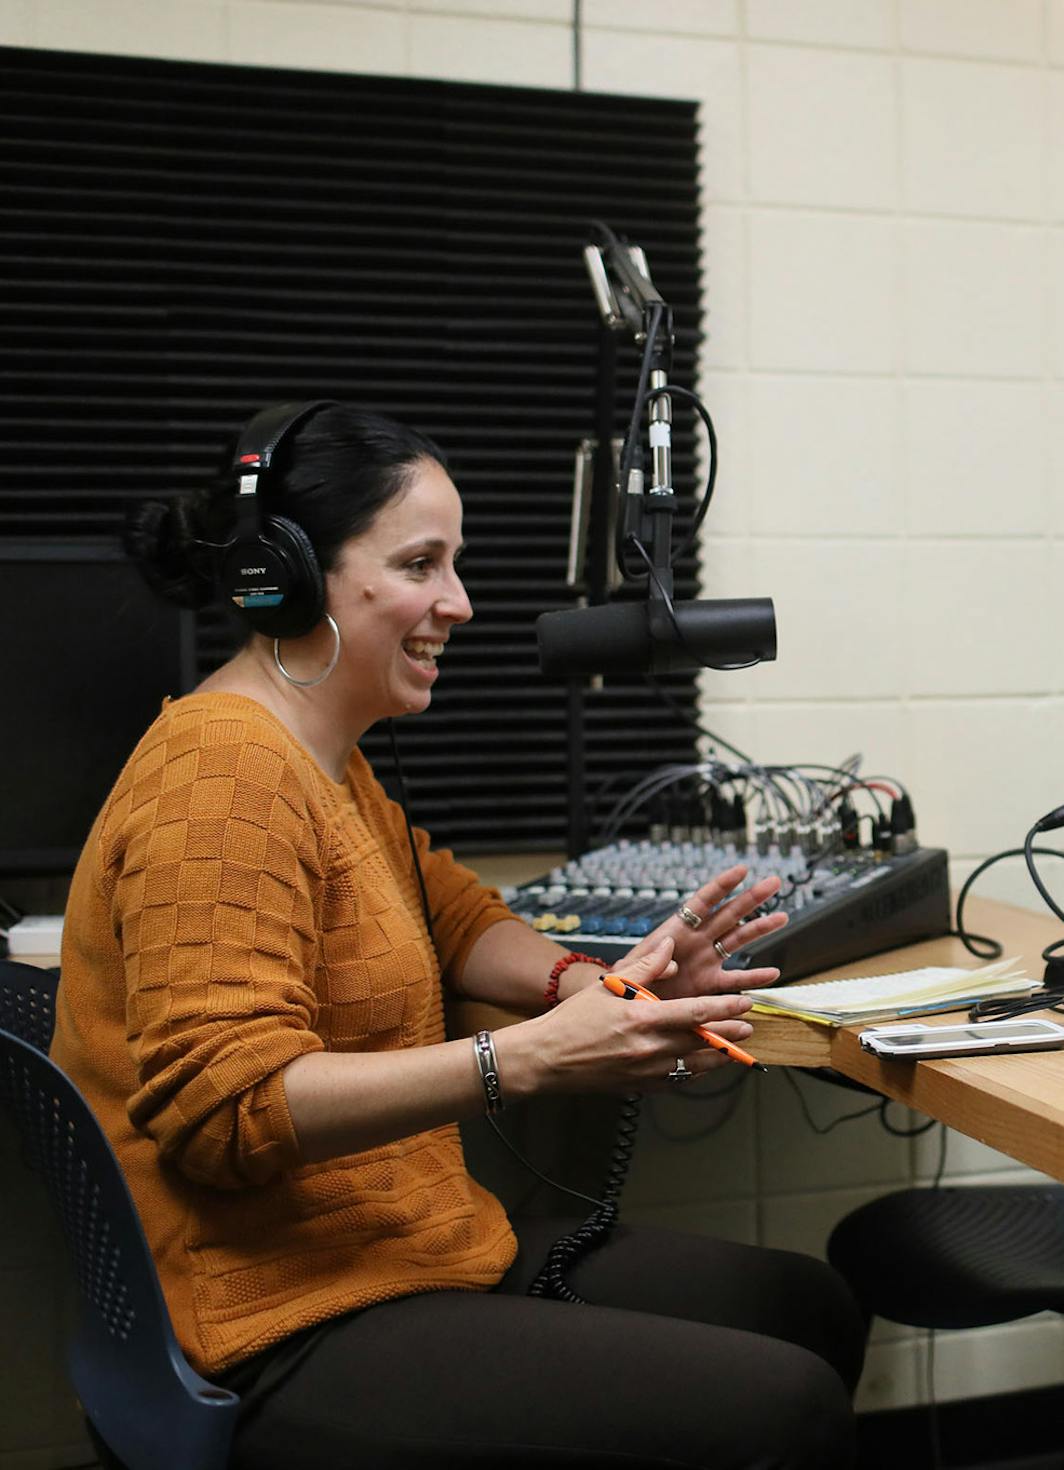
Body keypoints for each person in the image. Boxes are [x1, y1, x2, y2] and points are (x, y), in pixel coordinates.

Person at [50, 403, 863, 1470]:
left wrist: (587, 985)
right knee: (787, 1402)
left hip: (406, 1252)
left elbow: (457, 916)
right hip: (287, 1324)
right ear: (288, 576)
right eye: (421, 564)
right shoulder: (222, 777)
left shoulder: (324, 763)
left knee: (805, 1307)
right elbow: (226, 1110)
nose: (460, 604)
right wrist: (523, 1061)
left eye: (456, 564)